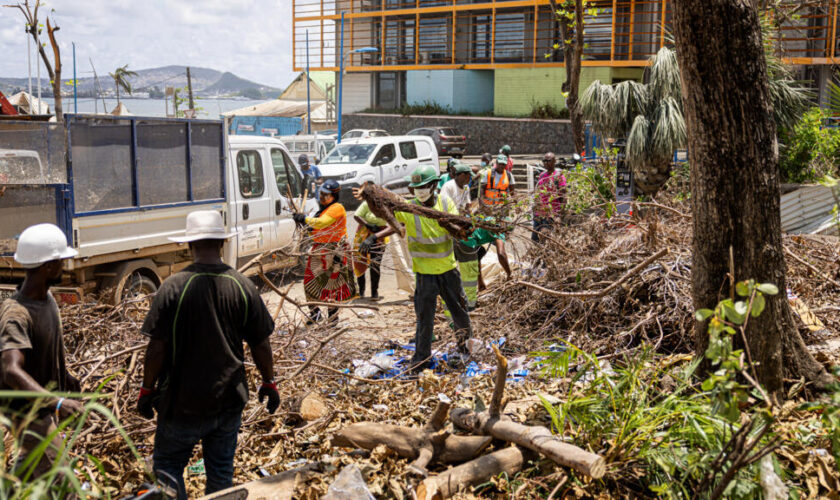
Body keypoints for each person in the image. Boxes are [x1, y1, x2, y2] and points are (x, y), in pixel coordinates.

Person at [137, 210, 278, 499]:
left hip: (181, 403)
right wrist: (269, 382)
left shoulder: (173, 287)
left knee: (167, 471)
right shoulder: (242, 285)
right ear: (221, 243)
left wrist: (146, 389)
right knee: (221, 475)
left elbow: (157, 348)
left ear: (190, 245)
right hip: (227, 401)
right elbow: (260, 343)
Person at [362, 165, 473, 371]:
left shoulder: (445, 203)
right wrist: (374, 237)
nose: (419, 191)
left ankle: (465, 350)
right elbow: (395, 224)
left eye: (423, 186)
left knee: (459, 312)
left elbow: (457, 227)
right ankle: (421, 358)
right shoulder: (408, 208)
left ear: (433, 185)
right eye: (416, 187)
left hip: (448, 270)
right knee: (424, 318)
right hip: (424, 274)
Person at [0, 223, 84, 479]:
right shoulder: (16, 314)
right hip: (29, 414)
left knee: (26, 480)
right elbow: (10, 369)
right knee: (65, 487)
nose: (65, 266)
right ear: (48, 266)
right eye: (61, 261)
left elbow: (46, 349)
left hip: (42, 409)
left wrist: (65, 378)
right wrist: (56, 402)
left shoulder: (46, 300)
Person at [293, 179, 357, 324]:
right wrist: (306, 226)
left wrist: (305, 218)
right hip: (319, 250)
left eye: (326, 194)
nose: (322, 196)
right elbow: (316, 230)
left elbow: (323, 223)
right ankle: (315, 315)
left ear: (334, 196)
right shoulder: (322, 210)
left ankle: (333, 318)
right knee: (309, 282)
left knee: (330, 285)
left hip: (334, 251)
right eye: (321, 193)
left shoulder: (337, 208)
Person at [441, 163, 479, 309]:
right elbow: (445, 210)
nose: (470, 178)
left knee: (467, 266)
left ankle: (469, 301)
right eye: (468, 176)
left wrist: (472, 220)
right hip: (452, 229)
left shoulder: (466, 188)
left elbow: (467, 207)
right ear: (462, 175)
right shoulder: (449, 187)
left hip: (461, 228)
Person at [353, 200, 388, 301]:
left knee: (375, 263)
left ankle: (374, 291)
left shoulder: (385, 204)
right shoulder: (366, 203)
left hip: (380, 234)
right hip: (364, 233)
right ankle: (361, 290)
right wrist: (367, 225)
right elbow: (356, 216)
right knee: (360, 261)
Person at [532, 152, 567, 243]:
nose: (546, 163)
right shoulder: (542, 175)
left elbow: (564, 197)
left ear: (554, 161)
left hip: (551, 214)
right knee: (535, 240)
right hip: (539, 214)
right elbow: (538, 194)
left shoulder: (559, 176)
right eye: (544, 161)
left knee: (545, 237)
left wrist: (559, 215)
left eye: (549, 161)